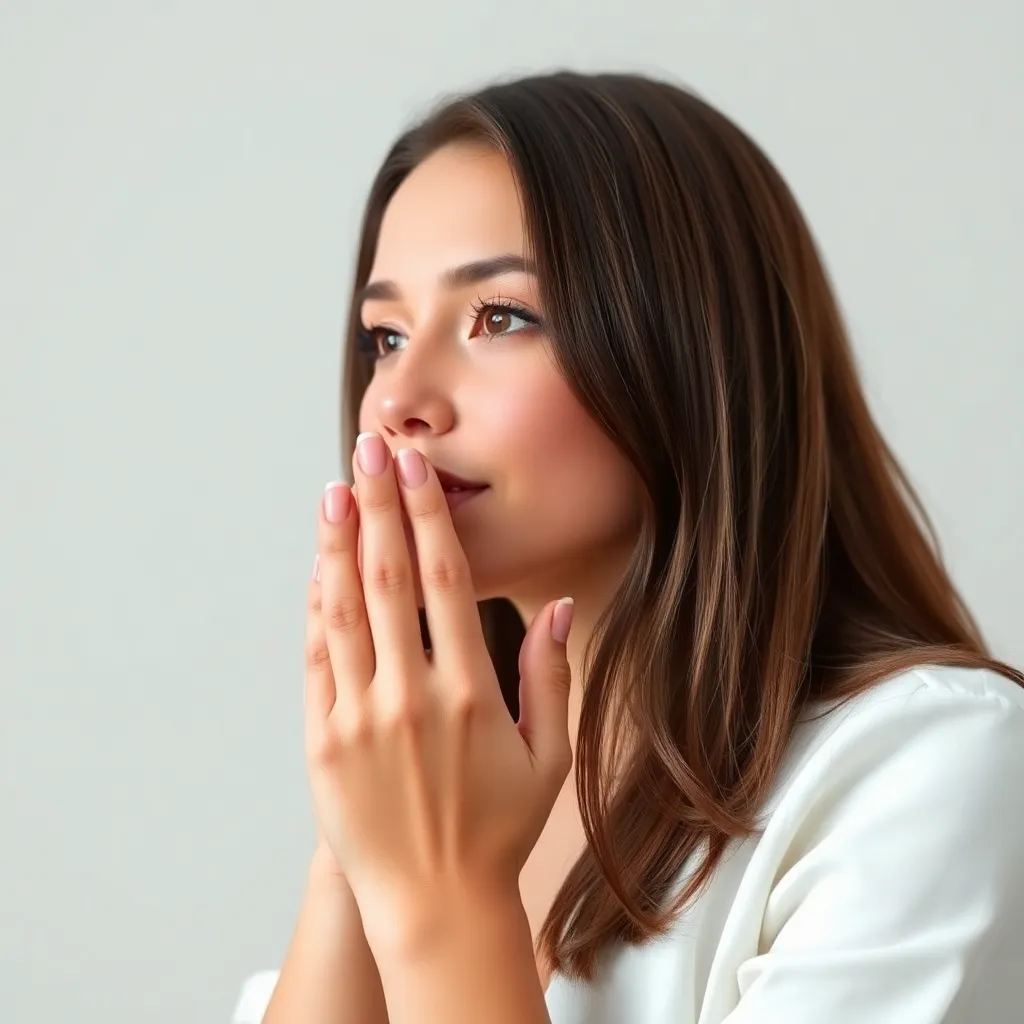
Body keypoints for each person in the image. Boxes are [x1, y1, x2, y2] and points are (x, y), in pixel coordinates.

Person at [234, 71, 1024, 1023]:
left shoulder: (928, 761)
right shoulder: (441, 788)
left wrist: (440, 903)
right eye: (385, 336)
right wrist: (361, 838)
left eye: (501, 318)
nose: (399, 399)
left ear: (689, 353)